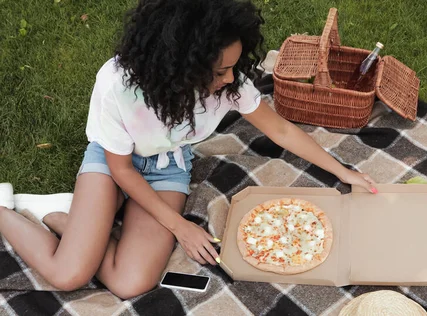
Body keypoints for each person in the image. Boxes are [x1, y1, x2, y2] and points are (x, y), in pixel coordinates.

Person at [0, 0, 376, 299]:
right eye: (217, 72)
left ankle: (68, 225)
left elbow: (279, 128)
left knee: (130, 284)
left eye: (233, 67)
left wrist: (343, 172)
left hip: (168, 168)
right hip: (114, 166)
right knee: (69, 275)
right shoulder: (117, 84)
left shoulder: (230, 83)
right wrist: (180, 228)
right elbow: (123, 170)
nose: (230, 79)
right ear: (178, 65)